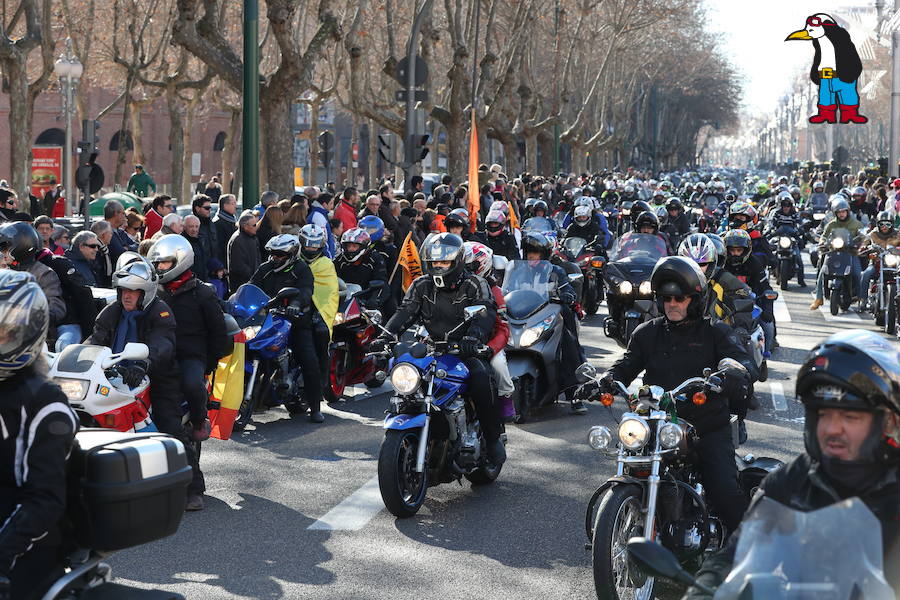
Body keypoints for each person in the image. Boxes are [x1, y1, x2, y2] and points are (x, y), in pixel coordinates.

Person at [684, 329, 900, 598]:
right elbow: (736, 557)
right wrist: (704, 592)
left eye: (850, 416)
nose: (833, 428)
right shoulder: (794, 482)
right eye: (823, 413)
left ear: (888, 421)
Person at [596, 256, 754, 533]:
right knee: (632, 460)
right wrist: (608, 379)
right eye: (666, 298)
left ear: (694, 299)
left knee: (725, 490)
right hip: (657, 422)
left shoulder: (715, 332)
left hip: (704, 426)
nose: (672, 304)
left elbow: (744, 363)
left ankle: (739, 551)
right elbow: (627, 364)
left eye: (679, 298)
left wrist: (733, 374)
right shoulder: (648, 332)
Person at [371, 233, 506, 465]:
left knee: (482, 377)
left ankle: (493, 439)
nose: (439, 267)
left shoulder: (474, 283)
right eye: (434, 262)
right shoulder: (421, 284)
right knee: (408, 380)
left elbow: (484, 313)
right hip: (433, 349)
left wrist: (473, 337)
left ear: (457, 261)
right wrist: (385, 337)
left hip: (464, 350)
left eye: (444, 262)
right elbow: (405, 312)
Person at [0, 271, 78, 600]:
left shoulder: (45, 402)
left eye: (3, 332)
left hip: (21, 550)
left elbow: (43, 501)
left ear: (26, 332)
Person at [148, 235, 231, 510]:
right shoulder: (151, 291)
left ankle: (199, 419)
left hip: (189, 355)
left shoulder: (202, 292)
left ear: (181, 260)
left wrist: (208, 362)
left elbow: (219, 333)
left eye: (166, 263)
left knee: (192, 383)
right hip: (156, 356)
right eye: (157, 264)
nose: (160, 268)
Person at [250, 234, 324, 423]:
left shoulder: (301, 269)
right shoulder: (265, 269)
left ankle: (315, 407)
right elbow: (250, 287)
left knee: (309, 359)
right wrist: (236, 301)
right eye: (272, 254)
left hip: (296, 322)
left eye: (279, 255)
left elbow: (306, 290)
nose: (274, 258)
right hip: (268, 320)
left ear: (291, 254)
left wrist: (297, 304)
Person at [521, 231, 586, 413]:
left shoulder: (555, 272)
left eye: (535, 253)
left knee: (568, 344)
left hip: (548, 317)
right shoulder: (518, 272)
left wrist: (567, 295)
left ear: (544, 254)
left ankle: (575, 394)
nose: (531, 256)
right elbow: (506, 290)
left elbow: (568, 289)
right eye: (528, 252)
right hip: (524, 318)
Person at [297, 224, 340, 412]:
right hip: (295, 308)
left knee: (320, 335)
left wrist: (319, 313)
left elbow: (330, 293)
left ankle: (320, 384)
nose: (311, 249)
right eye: (307, 244)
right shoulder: (293, 260)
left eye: (315, 245)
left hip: (316, 310)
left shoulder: (326, 264)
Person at [0, 222, 66, 331]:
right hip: (6, 332)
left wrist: (28, 318)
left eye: (5, 248)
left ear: (22, 244)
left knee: (63, 343)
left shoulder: (43, 273)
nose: (3, 252)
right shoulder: (6, 271)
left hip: (34, 335)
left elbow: (56, 308)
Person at [723, 229, 776, 356]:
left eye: (739, 250)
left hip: (751, 305)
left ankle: (764, 354)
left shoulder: (754, 263)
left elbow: (765, 286)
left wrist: (767, 308)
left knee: (768, 326)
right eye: (732, 250)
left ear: (746, 250)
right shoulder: (722, 264)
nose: (735, 254)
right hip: (724, 305)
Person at [810, 197, 864, 310]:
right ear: (835, 213)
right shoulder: (831, 224)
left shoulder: (856, 224)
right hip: (833, 252)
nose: (842, 214)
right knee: (822, 273)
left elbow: (863, 236)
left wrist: (860, 243)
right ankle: (818, 298)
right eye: (839, 212)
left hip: (850, 253)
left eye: (843, 211)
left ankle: (861, 299)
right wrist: (822, 242)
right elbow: (824, 236)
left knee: (858, 274)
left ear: (848, 211)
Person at [335, 228, 388, 309]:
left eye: (354, 246)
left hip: (366, 302)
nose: (351, 249)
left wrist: (374, 300)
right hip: (343, 301)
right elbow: (332, 280)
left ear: (363, 246)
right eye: (348, 246)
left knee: (389, 309)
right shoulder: (339, 260)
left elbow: (381, 282)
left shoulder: (375, 259)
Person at [859, 211, 900, 305]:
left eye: (888, 224)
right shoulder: (873, 234)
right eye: (881, 224)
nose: (884, 227)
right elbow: (866, 241)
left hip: (894, 264)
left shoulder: (897, 234)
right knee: (866, 275)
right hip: (876, 262)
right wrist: (864, 247)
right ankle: (863, 300)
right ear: (878, 224)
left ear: (892, 224)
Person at [227, 210, 261, 291]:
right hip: (241, 285)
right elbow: (238, 266)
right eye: (254, 225)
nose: (256, 227)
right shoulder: (237, 240)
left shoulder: (253, 237)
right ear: (245, 226)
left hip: (252, 283)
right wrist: (253, 276)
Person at [103, 199, 137, 265]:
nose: (124, 217)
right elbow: (120, 252)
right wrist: (127, 248)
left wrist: (128, 248)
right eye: (123, 213)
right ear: (116, 213)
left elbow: (137, 246)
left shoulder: (121, 232)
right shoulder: (105, 231)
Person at [192, 194, 218, 270]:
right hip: (200, 269)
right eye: (206, 208)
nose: (209, 210)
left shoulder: (211, 224)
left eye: (210, 207)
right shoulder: (191, 225)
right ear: (197, 208)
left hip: (214, 268)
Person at [306, 193, 335, 258]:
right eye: (331, 203)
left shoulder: (319, 214)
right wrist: (330, 257)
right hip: (324, 257)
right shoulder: (318, 217)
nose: (332, 206)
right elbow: (323, 240)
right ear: (324, 204)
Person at [213, 193, 238, 264]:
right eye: (233, 203)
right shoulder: (217, 223)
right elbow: (219, 248)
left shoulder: (232, 220)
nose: (236, 206)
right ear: (225, 205)